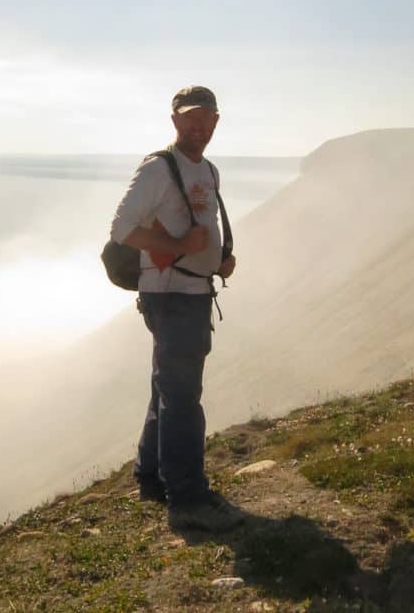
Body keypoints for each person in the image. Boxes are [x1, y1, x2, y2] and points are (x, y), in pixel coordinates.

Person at [109, 85, 243, 532]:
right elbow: (122, 226)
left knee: (166, 388)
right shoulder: (159, 169)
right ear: (174, 121)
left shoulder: (206, 169)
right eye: (189, 117)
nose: (198, 125)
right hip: (169, 296)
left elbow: (202, 223)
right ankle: (187, 497)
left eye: (206, 117)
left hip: (193, 292)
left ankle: (151, 477)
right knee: (183, 397)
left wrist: (218, 261)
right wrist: (180, 246)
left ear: (217, 122)